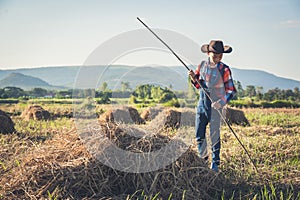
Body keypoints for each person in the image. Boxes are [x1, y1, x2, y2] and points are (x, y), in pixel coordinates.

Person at [188, 40, 237, 172]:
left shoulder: (225, 69)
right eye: (215, 55)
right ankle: (202, 162)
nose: (218, 58)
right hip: (202, 105)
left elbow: (231, 91)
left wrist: (220, 102)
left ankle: (215, 166)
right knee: (199, 135)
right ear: (208, 53)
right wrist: (193, 78)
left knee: (214, 136)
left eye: (220, 55)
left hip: (216, 107)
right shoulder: (202, 66)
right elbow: (199, 85)